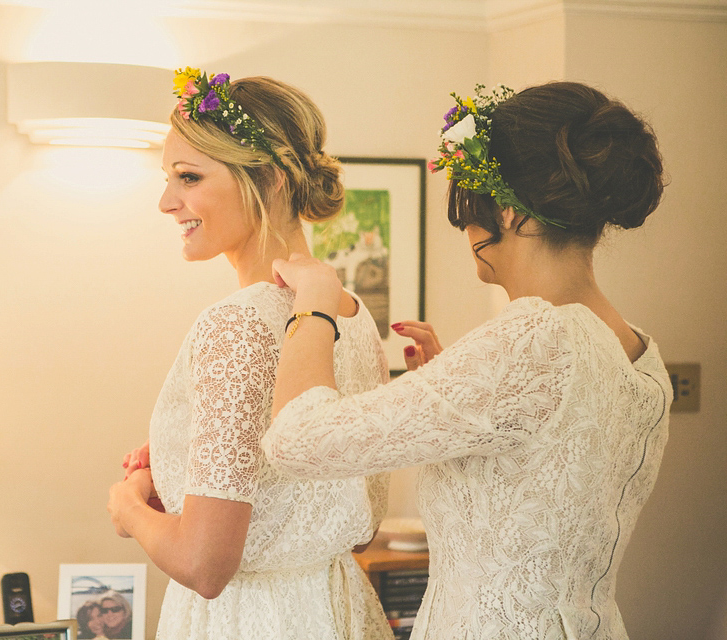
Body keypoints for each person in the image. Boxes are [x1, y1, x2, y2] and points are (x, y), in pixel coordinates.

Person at [262, 81, 670, 639]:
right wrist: (456, 379)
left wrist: (313, 303)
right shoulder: (637, 351)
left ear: (506, 211)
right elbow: (545, 476)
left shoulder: (535, 337)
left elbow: (297, 441)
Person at [106, 68, 392, 639]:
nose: (167, 201)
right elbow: (355, 526)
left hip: (249, 621)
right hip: (337, 609)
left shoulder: (234, 324)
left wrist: (130, 509)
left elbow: (205, 565)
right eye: (168, 179)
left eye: (188, 177)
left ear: (273, 181)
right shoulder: (353, 316)